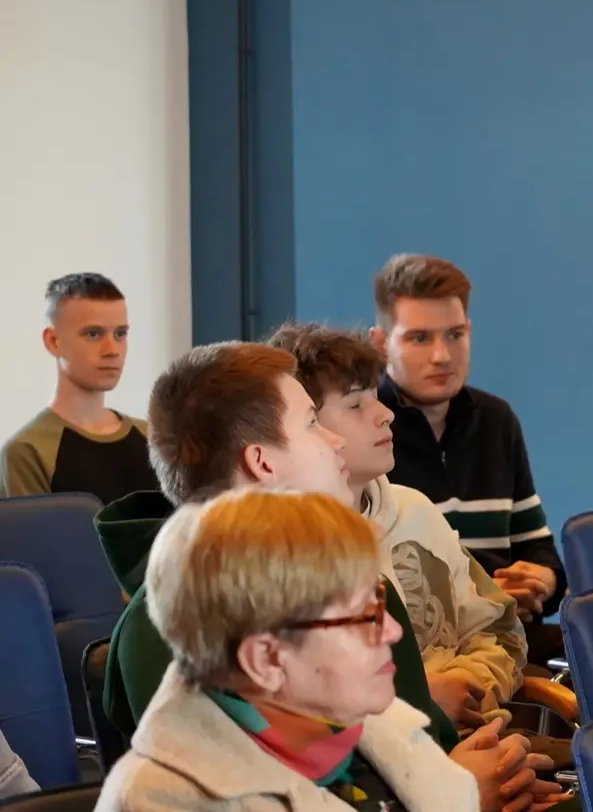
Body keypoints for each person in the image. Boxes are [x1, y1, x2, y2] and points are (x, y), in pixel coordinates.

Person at [93, 341, 557, 812]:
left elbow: (420, 756)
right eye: (313, 422)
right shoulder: (167, 630)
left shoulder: (346, 580)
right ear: (262, 462)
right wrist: (462, 798)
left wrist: (471, 781)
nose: (335, 441)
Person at [96, 489, 480, 812]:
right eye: (364, 616)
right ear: (266, 660)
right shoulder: (162, 800)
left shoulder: (360, 717)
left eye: (377, 598)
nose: (393, 632)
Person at [270, 322, 528, 734]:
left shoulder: (415, 510)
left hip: (479, 733)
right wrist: (421, 698)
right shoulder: (282, 552)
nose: (385, 414)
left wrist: (468, 684)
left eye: (375, 396)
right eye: (355, 405)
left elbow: (500, 628)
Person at [372, 254, 567, 661]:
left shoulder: (497, 420)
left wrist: (540, 581)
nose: (442, 355)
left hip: (511, 637)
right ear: (380, 344)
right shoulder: (368, 429)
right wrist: (487, 597)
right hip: (419, 653)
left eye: (455, 335)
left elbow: (539, 550)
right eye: (419, 338)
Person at [3, 272, 159, 503]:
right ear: (53, 341)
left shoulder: (153, 438)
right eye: (93, 334)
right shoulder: (28, 451)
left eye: (120, 334)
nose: (112, 350)